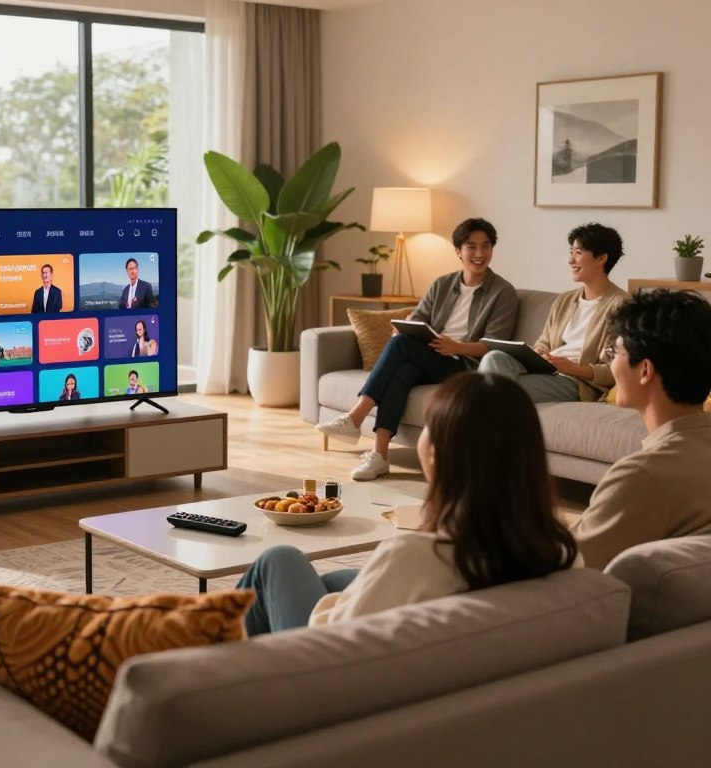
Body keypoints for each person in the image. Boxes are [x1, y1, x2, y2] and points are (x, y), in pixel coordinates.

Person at [239, 373, 579, 635]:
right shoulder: (561, 551)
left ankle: (203, 663)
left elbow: (329, 636)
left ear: (440, 453)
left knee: (279, 560)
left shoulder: (414, 557)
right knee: (334, 580)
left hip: (324, 684)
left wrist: (337, 605)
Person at [317, 218, 518, 481]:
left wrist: (455, 346)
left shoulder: (503, 292)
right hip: (433, 357)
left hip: (466, 366)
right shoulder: (442, 284)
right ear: (458, 250)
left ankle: (355, 416)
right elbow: (419, 316)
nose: (479, 254)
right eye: (471, 247)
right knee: (404, 371)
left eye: (486, 246)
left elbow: (495, 345)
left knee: (401, 347)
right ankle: (379, 456)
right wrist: (407, 326)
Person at [570, 289, 711, 569]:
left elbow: (568, 566)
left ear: (645, 370)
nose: (610, 364)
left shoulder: (640, 476)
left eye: (613, 352)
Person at [478, 222, 629, 403]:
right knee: (495, 358)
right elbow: (544, 342)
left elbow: (616, 369)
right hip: (547, 370)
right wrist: (538, 356)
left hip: (576, 381)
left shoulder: (622, 305)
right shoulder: (565, 300)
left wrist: (573, 368)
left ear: (601, 258)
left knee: (498, 390)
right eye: (571, 253)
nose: (570, 260)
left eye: (578, 253)